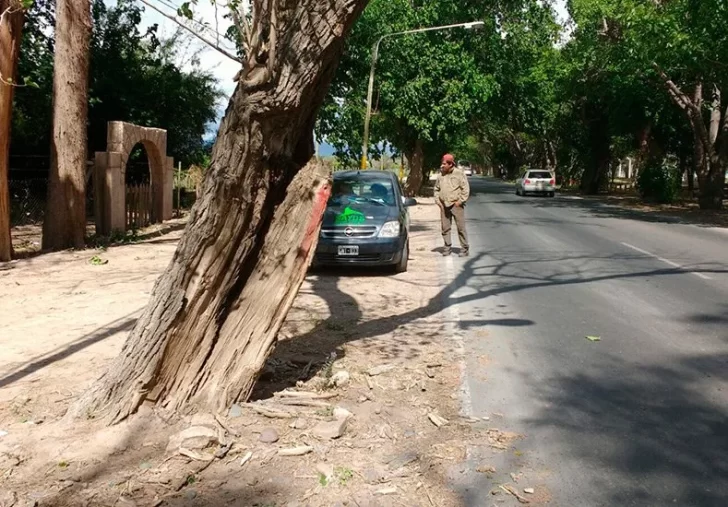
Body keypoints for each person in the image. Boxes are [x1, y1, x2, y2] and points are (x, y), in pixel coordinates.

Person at [434, 153, 470, 257]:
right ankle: (447, 247)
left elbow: (465, 188)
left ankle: (464, 249)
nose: (442, 166)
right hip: (444, 205)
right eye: (442, 163)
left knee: (461, 228)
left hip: (456, 205)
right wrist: (438, 201)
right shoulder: (441, 175)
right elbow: (436, 189)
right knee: (445, 228)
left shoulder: (459, 174)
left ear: (450, 164)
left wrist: (460, 201)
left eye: (444, 164)